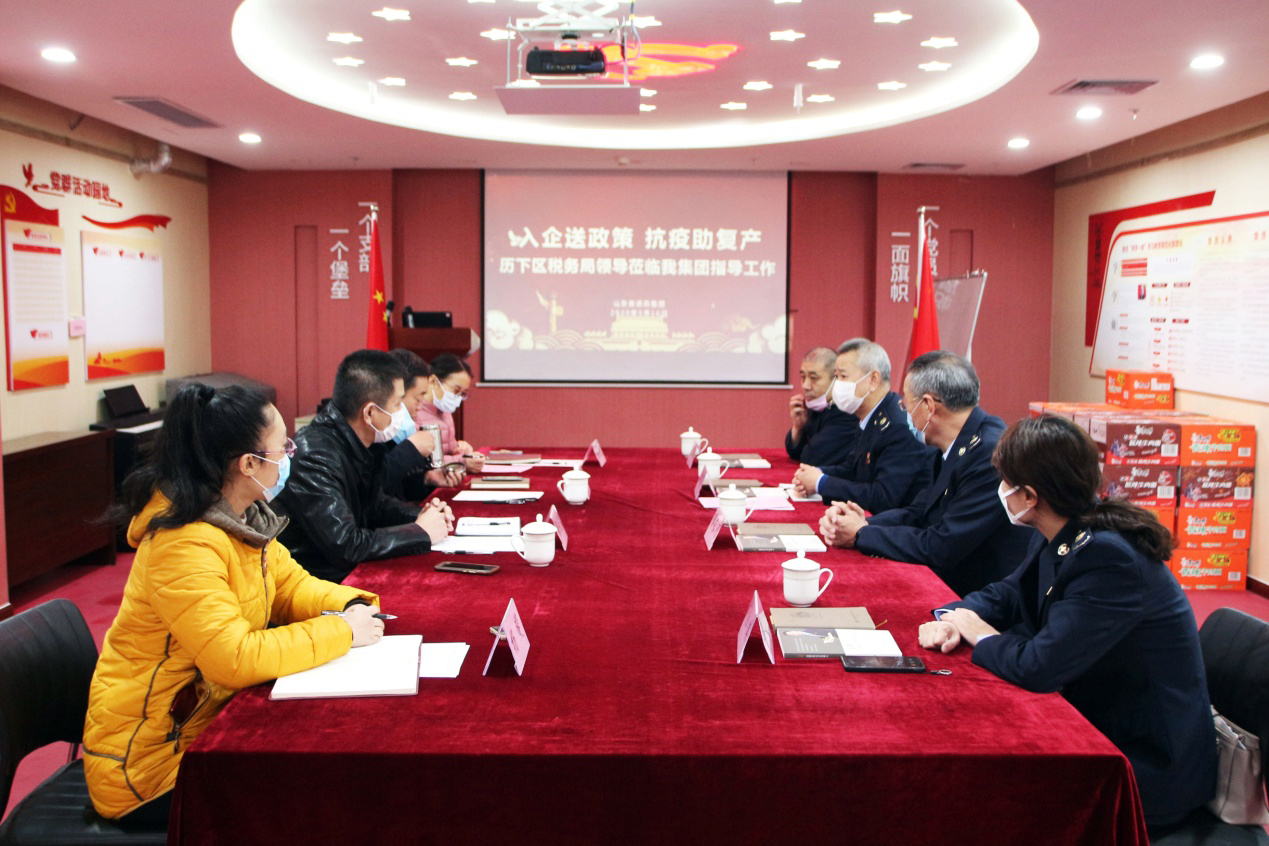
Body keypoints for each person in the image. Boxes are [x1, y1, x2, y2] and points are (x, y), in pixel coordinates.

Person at [83, 384, 386, 824]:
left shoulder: (242, 518)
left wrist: (355, 602)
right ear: (248, 464)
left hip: (209, 722)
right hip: (152, 768)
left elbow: (292, 588)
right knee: (320, 793)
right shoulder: (183, 543)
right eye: (283, 447)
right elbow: (234, 657)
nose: (290, 455)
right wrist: (342, 630)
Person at [918, 415, 1216, 828]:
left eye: (1005, 482)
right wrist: (955, 618)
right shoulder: (1067, 527)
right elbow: (1010, 592)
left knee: (985, 797)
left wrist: (982, 635)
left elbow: (1040, 666)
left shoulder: (1108, 558)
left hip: (1143, 766)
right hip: (1101, 716)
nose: (1000, 489)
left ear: (1030, 496)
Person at [818, 351, 1034, 596]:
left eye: (906, 404)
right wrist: (864, 522)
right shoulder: (955, 441)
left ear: (929, 406)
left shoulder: (987, 454)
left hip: (978, 594)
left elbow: (942, 545)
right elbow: (920, 511)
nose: (905, 412)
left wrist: (861, 534)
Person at [275, 349, 453, 583]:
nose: (403, 413)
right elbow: (345, 545)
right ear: (370, 412)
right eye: (397, 404)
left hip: (348, 572)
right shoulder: (315, 455)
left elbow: (373, 506)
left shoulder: (363, 440)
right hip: (321, 582)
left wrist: (422, 514)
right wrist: (419, 532)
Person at [791, 338, 934, 513]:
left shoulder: (896, 427)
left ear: (873, 380)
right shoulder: (869, 416)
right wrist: (816, 473)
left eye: (843, 376)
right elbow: (852, 469)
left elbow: (883, 497)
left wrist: (821, 483)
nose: (837, 384)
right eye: (836, 376)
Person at [382, 348, 463, 501]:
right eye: (418, 399)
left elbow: (398, 490)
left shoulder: (394, 430)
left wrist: (426, 478)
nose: (419, 407)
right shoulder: (376, 434)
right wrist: (411, 449)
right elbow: (375, 490)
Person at [784, 346, 859, 466]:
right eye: (803, 377)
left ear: (836, 379)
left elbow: (813, 457)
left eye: (813, 378)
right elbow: (794, 452)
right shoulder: (815, 407)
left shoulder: (847, 412)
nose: (805, 386)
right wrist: (798, 428)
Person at [418, 353, 484, 473]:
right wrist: (462, 461)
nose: (457, 397)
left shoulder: (444, 411)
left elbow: (449, 449)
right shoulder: (416, 411)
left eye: (462, 393)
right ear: (433, 381)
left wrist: (461, 449)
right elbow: (423, 460)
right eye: (456, 390)